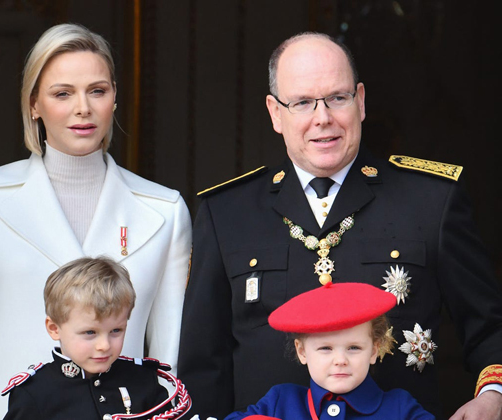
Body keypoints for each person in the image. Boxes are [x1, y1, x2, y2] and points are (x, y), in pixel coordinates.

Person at [178, 31, 502, 420]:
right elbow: (203, 363)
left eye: (337, 98)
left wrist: (492, 397)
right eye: (302, 102)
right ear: (275, 113)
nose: (323, 118)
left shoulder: (431, 201)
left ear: (361, 101)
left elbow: (489, 327)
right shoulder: (226, 212)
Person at [0, 23, 192, 420]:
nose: (83, 108)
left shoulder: (165, 210)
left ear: (114, 98)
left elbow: (169, 358)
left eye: (97, 90)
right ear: (34, 104)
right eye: (63, 93)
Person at [1, 257, 191, 420]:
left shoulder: (143, 380)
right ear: (54, 328)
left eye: (116, 330)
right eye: (90, 332)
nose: (104, 345)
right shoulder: (35, 392)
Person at [225, 281, 433, 419]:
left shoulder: (400, 408)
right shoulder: (280, 401)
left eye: (354, 347)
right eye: (325, 348)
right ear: (302, 352)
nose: (340, 360)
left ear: (373, 350)